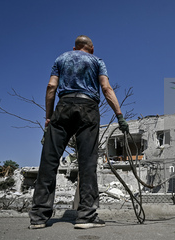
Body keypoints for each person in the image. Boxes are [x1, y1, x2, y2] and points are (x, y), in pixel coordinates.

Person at [29, 35, 129, 229]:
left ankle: (39, 218)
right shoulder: (97, 61)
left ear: (74, 49)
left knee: (49, 161)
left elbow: (51, 87)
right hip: (88, 108)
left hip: (63, 106)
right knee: (87, 162)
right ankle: (85, 217)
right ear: (91, 49)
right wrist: (119, 116)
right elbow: (106, 88)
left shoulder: (61, 59)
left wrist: (48, 118)